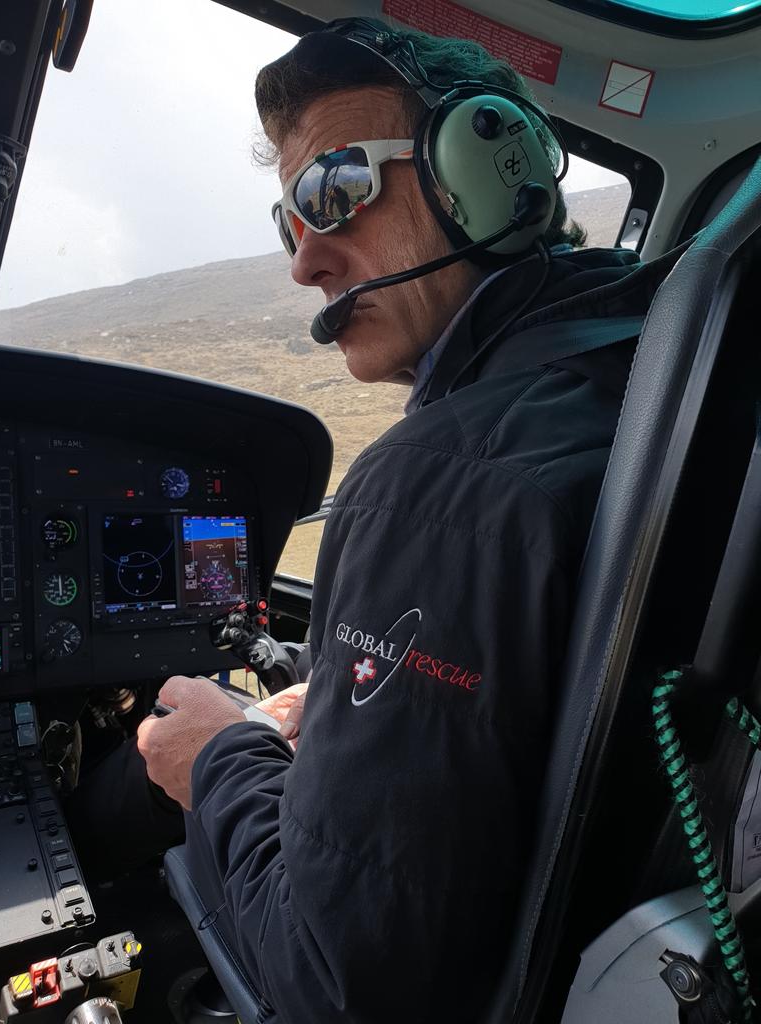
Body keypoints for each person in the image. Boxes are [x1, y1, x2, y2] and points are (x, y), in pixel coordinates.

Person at [97, 17, 683, 1023]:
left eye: (335, 191)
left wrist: (217, 755)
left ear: (485, 169)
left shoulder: (436, 482)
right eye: (289, 221)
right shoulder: (655, 363)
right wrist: (328, 702)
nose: (304, 263)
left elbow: (340, 986)